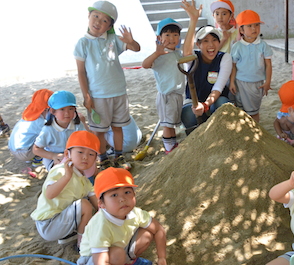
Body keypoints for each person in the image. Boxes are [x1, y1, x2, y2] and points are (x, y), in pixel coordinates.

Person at [74, 1, 141, 171]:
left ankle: (118, 156)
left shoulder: (113, 40)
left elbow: (137, 49)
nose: (98, 22)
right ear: (88, 16)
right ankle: (103, 158)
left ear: (110, 25)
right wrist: (86, 95)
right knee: (99, 130)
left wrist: (131, 42)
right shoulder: (82, 43)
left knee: (117, 127)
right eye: (96, 16)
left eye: (105, 20)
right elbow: (81, 72)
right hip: (98, 95)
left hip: (119, 93)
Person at [77, 167, 167, 265]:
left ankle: (127, 261)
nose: (122, 199)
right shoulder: (101, 224)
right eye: (114, 195)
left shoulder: (136, 213)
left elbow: (158, 229)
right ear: (101, 203)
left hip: (119, 249)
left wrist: (161, 258)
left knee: (146, 234)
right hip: (93, 258)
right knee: (117, 254)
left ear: (134, 194)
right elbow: (100, 261)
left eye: (127, 192)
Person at [31, 130, 100, 248]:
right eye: (80, 152)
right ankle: (83, 243)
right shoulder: (60, 171)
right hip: (49, 224)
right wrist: (67, 177)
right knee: (84, 205)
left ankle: (68, 234)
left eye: (91, 154)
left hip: (59, 220)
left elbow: (97, 202)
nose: (85, 157)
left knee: (89, 206)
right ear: (67, 154)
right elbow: (50, 194)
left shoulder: (83, 178)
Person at [181, 0, 232, 132]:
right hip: (194, 101)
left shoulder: (224, 58)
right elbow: (186, 53)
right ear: (198, 44)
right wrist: (193, 20)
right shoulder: (194, 58)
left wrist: (205, 105)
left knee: (224, 105)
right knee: (187, 115)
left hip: (214, 101)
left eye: (214, 40)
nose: (211, 45)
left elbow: (218, 87)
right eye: (205, 41)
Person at [142, 18, 185, 154]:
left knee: (172, 122)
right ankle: (168, 148)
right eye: (167, 35)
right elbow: (145, 64)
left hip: (177, 95)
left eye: (175, 35)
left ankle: (172, 143)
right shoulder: (159, 56)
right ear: (159, 38)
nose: (171, 38)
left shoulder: (178, 53)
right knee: (167, 124)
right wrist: (156, 53)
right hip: (167, 95)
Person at [229, 10, 273, 123]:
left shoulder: (263, 45)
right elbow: (233, 66)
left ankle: (255, 132)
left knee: (254, 111)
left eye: (257, 25)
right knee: (241, 109)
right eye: (250, 26)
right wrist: (232, 82)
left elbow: (268, 64)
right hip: (240, 82)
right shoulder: (237, 46)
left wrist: (268, 81)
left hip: (257, 83)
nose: (254, 29)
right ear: (241, 30)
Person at [33, 90, 86, 171]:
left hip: (74, 155)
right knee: (63, 170)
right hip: (55, 159)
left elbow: (87, 139)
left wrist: (84, 123)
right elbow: (36, 149)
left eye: (71, 109)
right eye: (62, 109)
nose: (67, 113)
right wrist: (53, 156)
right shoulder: (48, 129)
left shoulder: (77, 125)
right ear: (53, 111)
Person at [8, 89, 53, 166]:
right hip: (24, 153)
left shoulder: (29, 114)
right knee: (49, 137)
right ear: (46, 109)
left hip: (13, 148)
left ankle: (30, 157)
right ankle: (38, 158)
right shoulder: (40, 122)